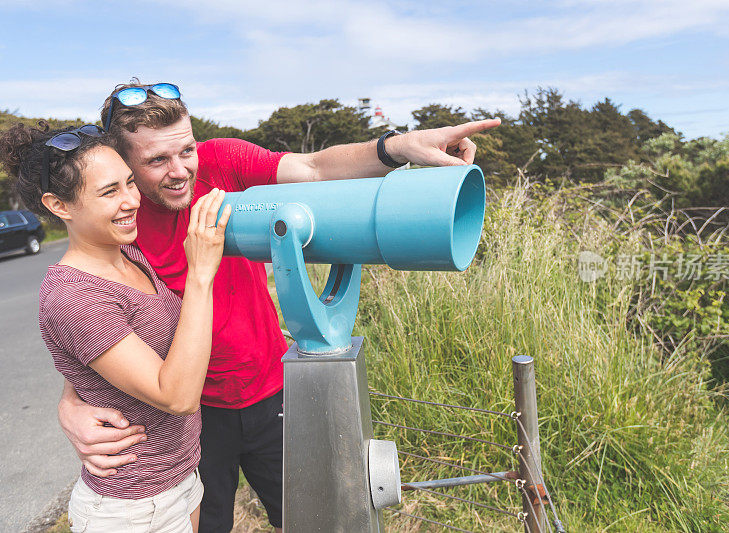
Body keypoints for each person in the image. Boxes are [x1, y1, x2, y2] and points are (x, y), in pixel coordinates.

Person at [57, 81, 501, 532]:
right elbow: (91, 324)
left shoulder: (222, 162)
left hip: (270, 392)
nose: (181, 171)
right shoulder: (118, 225)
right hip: (190, 419)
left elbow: (312, 166)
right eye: (156, 161)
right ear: (122, 162)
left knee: (308, 518)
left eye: (186, 150)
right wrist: (71, 402)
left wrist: (399, 147)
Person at [0, 122, 233, 532]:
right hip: (133, 508)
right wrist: (200, 274)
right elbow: (177, 396)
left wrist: (70, 398)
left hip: (179, 478)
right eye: (109, 192)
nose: (131, 201)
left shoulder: (125, 251)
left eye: (129, 183)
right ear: (59, 206)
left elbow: (92, 362)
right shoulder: (75, 296)